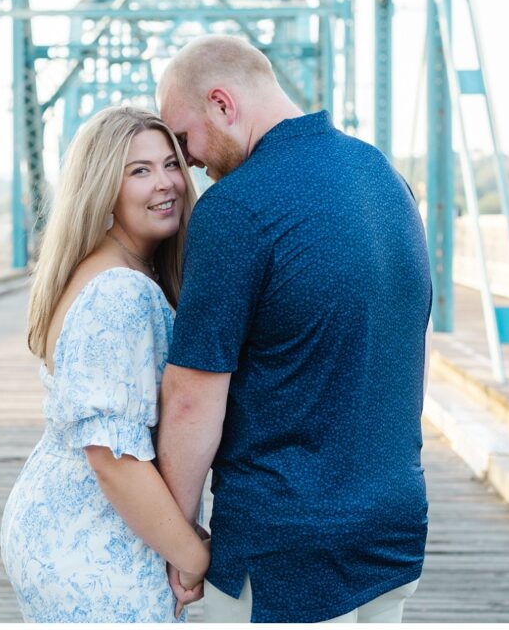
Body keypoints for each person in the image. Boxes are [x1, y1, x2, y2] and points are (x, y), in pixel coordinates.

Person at [154, 35, 433, 622]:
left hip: (285, 557)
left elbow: (190, 403)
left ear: (223, 105)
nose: (189, 165)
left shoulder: (234, 209)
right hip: (394, 530)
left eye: (183, 140)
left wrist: (177, 544)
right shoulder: (386, 178)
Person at [0, 105, 209, 622]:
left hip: (74, 527)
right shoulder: (118, 291)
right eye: (139, 171)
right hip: (94, 540)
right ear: (102, 189)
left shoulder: (103, 268)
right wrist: (193, 554)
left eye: (170, 164)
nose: (167, 184)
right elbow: (112, 460)